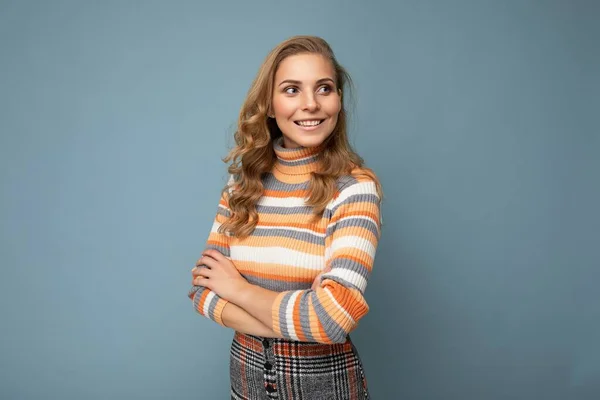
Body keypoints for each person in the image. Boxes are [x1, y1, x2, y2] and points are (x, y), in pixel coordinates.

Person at [188, 35, 383, 400]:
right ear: (271, 106)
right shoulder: (241, 185)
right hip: (245, 382)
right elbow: (202, 291)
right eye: (292, 90)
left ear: (339, 100)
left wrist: (239, 291)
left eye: (323, 88)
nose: (310, 104)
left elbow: (332, 319)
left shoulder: (354, 189)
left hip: (324, 386)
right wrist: (297, 322)